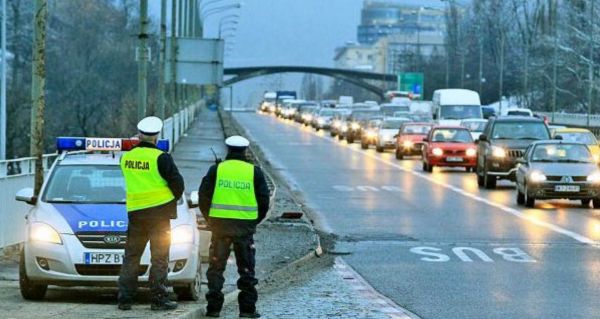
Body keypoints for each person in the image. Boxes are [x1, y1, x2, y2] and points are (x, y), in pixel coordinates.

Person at [199, 135, 270, 318]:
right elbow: (264, 201)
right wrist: (253, 221)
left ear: (228, 149)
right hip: (244, 229)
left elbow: (203, 197)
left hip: (220, 228)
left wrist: (211, 220)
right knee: (246, 271)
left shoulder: (217, 169)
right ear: (245, 150)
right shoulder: (254, 172)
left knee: (216, 269)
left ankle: (213, 309)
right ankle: (247, 310)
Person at [117, 116, 184, 311]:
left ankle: (125, 299)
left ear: (139, 135)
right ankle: (158, 299)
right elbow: (178, 185)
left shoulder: (126, 157)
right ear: (156, 136)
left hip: (136, 215)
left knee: (131, 256)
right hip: (160, 217)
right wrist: (169, 199)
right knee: (159, 258)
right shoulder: (161, 157)